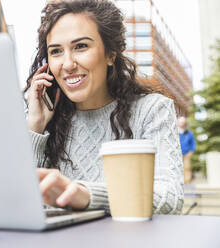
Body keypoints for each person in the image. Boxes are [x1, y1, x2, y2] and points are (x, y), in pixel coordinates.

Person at [24, 0, 184, 214]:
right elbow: (16, 201)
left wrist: (88, 195)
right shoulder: (42, 119)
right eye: (56, 51)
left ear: (110, 54)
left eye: (80, 46)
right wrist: (35, 127)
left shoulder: (151, 110)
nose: (68, 64)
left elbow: (170, 198)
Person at [177, 116, 196, 184]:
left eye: (183, 122)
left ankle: (187, 181)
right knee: (177, 168)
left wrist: (191, 151)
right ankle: (179, 182)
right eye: (180, 122)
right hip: (177, 154)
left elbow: (193, 143)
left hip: (186, 153)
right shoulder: (175, 132)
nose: (182, 124)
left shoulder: (189, 133)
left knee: (187, 168)